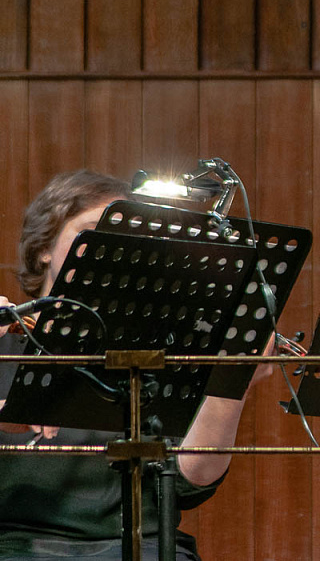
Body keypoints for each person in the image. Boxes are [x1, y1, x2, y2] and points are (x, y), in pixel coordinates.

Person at [0, 170, 272, 560]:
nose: (106, 251)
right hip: (20, 546)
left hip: (141, 545)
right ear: (44, 245)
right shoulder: (6, 340)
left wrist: (233, 383)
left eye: (120, 239)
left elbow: (192, 481)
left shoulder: (154, 351)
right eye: (92, 232)